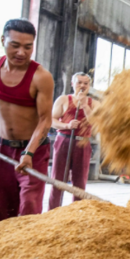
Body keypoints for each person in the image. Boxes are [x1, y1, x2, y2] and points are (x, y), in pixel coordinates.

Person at [0, 19, 54, 223]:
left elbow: (45, 120)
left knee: (29, 209)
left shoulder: (41, 77)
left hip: (33, 152)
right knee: (0, 211)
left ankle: (27, 253)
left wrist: (29, 152)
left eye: (28, 47)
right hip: (2, 150)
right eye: (15, 45)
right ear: (3, 41)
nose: (21, 53)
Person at [48, 72, 95, 209]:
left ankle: (76, 213)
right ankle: (53, 212)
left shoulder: (94, 103)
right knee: (58, 179)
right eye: (79, 82)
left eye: (85, 83)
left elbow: (94, 122)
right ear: (72, 84)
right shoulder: (63, 100)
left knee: (80, 182)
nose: (82, 86)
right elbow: (52, 120)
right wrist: (67, 126)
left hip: (83, 142)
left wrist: (84, 105)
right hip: (64, 140)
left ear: (89, 86)